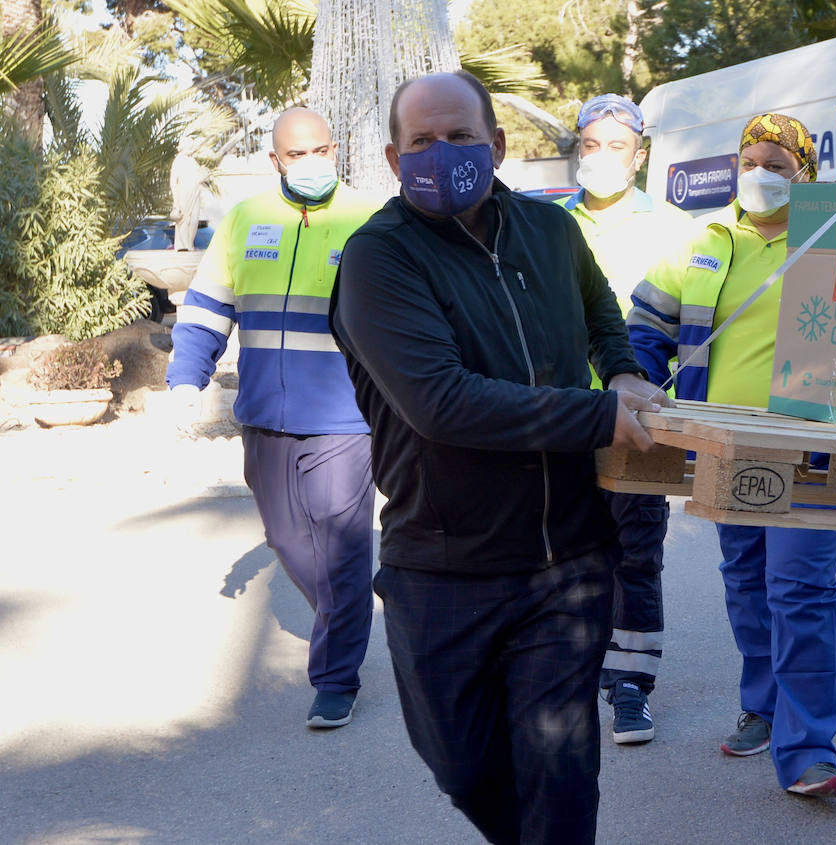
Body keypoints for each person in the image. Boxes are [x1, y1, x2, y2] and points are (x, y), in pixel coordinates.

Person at [329, 71, 662, 845]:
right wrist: (603, 413)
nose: (440, 155)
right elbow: (441, 403)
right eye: (421, 142)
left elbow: (598, 308)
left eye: (460, 137)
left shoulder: (553, 232)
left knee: (561, 772)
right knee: (465, 769)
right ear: (392, 155)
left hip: (568, 562)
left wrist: (619, 365)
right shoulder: (379, 259)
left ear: (499, 144)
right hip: (444, 568)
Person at [629, 113, 836, 798]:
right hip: (722, 444)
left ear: (805, 175)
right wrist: (636, 384)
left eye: (777, 166)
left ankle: (811, 749)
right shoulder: (705, 243)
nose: (760, 175)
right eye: (750, 161)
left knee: (800, 588)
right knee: (747, 577)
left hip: (815, 446)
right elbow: (643, 326)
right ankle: (763, 702)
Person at [165, 107, 379, 730]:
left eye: (320, 151)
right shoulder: (244, 220)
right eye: (297, 154)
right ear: (276, 160)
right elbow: (208, 309)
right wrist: (186, 379)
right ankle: (351, 611)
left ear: (335, 149)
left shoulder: (372, 221)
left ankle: (336, 678)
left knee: (340, 546)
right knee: (287, 538)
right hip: (263, 413)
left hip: (346, 416)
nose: (310, 163)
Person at [556, 93, 693, 744]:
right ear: (577, 149)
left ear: (640, 156)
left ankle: (631, 685)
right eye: (592, 144)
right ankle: (571, 671)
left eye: (619, 145)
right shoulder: (547, 224)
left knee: (636, 553)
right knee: (563, 550)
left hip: (642, 419)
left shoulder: (676, 228)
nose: (603, 157)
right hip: (559, 415)